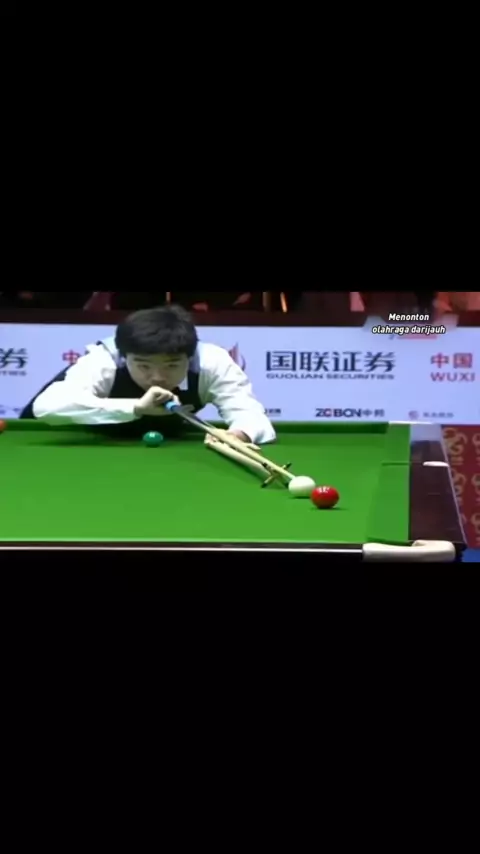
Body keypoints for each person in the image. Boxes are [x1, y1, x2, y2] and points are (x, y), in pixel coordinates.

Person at [20, 304, 275, 444]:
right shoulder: (104, 359)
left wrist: (240, 433)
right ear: (125, 356)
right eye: (143, 366)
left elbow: (251, 415)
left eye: (171, 365)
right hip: (81, 434)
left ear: (189, 357)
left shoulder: (212, 363)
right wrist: (136, 407)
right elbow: (46, 407)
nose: (157, 377)